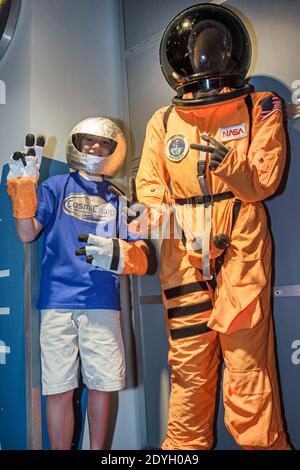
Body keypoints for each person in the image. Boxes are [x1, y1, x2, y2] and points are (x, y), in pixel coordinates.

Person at [135, 3, 290, 450]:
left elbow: (264, 180)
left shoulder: (259, 105)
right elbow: (149, 189)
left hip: (240, 248)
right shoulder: (163, 121)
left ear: (231, 51)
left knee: (247, 370)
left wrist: (233, 168)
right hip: (182, 257)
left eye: (216, 49)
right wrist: (155, 229)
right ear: (180, 57)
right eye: (199, 50)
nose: (208, 59)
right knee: (188, 372)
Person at [6, 117, 154, 450]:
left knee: (103, 385)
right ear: (77, 144)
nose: (94, 147)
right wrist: (24, 191)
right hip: (57, 302)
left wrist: (120, 253)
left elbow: (144, 257)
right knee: (59, 388)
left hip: (102, 302)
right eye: (87, 140)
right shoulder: (55, 186)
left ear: (115, 151)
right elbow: (27, 233)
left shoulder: (123, 201)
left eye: (103, 143)